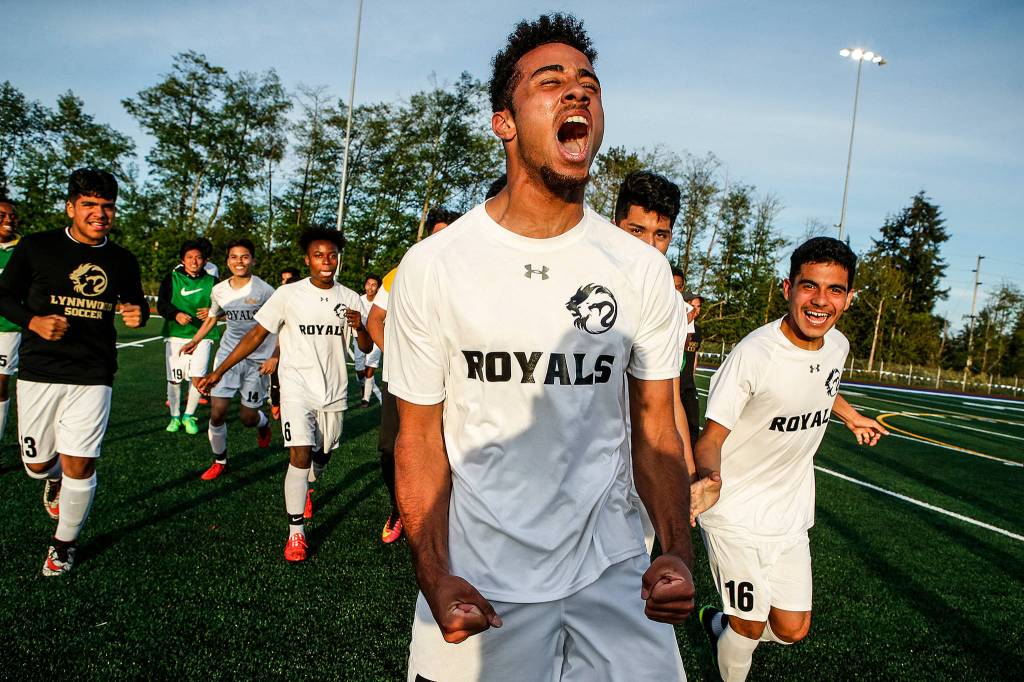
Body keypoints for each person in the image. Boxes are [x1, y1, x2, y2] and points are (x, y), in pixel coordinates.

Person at [386, 14, 694, 680]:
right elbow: (417, 437)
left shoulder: (639, 271)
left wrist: (677, 550)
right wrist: (433, 571)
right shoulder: (436, 265)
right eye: (550, 82)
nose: (577, 94)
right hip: (479, 576)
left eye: (589, 84)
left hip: (615, 569)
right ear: (504, 121)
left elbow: (657, 428)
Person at [690, 237, 888, 681]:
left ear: (849, 297)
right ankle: (731, 635)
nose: (821, 301)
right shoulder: (754, 355)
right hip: (735, 514)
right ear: (788, 289)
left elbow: (823, 386)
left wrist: (853, 418)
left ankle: (715, 623)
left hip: (791, 513)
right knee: (749, 626)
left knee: (791, 630)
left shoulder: (837, 345)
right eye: (809, 286)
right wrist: (707, 478)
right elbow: (711, 437)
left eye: (835, 290)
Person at [0, 168, 148, 576]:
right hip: (40, 371)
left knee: (80, 464)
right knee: (37, 465)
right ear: (70, 207)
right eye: (89, 205)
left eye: (107, 207)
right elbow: (3, 296)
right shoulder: (36, 247)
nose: (99, 214)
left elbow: (137, 302)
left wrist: (137, 312)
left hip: (93, 372)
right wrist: (34, 322)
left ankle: (64, 544)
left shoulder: (121, 259)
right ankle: (51, 479)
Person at [196, 228, 371, 562]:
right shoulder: (288, 294)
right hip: (296, 387)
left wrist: (360, 326)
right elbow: (256, 334)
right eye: (319, 255)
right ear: (307, 259)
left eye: (332, 255)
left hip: (333, 390)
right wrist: (218, 371)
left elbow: (365, 346)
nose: (326, 261)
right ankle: (295, 534)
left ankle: (309, 484)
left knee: (322, 455)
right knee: (299, 455)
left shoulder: (350, 297)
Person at [612, 170, 695, 554]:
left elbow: (670, 398)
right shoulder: (583, 284)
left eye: (659, 235)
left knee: (636, 570)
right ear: (615, 225)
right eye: (636, 231)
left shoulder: (672, 306)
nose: (648, 246)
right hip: (586, 459)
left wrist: (688, 474)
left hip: (645, 460)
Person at [366, 207, 459, 545]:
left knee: (450, 448)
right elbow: (374, 320)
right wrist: (404, 358)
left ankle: (446, 514)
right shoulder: (403, 270)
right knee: (392, 449)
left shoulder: (466, 274)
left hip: (453, 379)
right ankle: (398, 509)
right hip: (404, 378)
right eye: (437, 235)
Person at [180, 238, 275, 480]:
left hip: (258, 360)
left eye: (245, 257)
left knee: (247, 417)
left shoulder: (265, 290)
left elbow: (280, 325)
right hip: (227, 357)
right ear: (227, 261)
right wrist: (195, 340)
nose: (239, 261)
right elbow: (213, 317)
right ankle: (220, 460)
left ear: (253, 260)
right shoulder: (219, 289)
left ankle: (262, 422)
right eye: (234, 257)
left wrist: (275, 355)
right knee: (217, 412)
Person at [158, 240, 218, 435]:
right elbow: (162, 304)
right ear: (182, 260)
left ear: (205, 260)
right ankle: (175, 416)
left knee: (198, 378)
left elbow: (224, 308)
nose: (194, 261)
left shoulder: (213, 282)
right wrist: (175, 314)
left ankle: (188, 415)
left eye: (199, 257)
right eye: (190, 257)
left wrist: (212, 311)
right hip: (176, 336)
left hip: (203, 336)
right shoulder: (172, 278)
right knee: (175, 380)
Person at [0, 197, 22, 456]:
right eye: (2, 216)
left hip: (8, 328)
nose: (8, 220)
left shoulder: (24, 249)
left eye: (12, 215)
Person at [268, 267, 302, 420]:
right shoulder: (277, 298)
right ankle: (276, 402)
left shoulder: (305, 300)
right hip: (278, 349)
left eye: (287, 280)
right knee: (276, 382)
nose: (284, 283)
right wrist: (275, 355)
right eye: (282, 280)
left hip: (300, 353)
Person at [354, 273, 383, 407]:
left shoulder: (381, 302)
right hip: (359, 337)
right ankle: (363, 386)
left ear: (378, 288)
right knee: (360, 370)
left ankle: (365, 399)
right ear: (365, 285)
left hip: (376, 337)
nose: (370, 287)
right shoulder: (358, 300)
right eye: (368, 284)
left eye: (374, 285)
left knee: (370, 368)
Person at [680, 290, 703, 448]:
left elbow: (694, 355)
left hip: (688, 383)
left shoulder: (698, 331)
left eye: (698, 306)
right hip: (674, 383)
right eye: (691, 306)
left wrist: (693, 377)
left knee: (694, 423)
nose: (696, 310)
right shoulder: (674, 328)